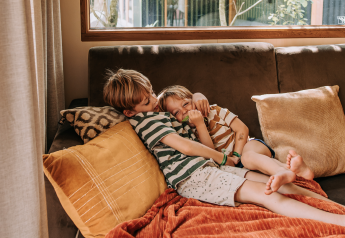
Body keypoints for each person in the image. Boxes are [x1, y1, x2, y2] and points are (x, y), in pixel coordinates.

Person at [103, 68, 345, 227]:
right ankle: (338, 223)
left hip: (210, 167)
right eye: (147, 101)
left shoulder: (160, 113)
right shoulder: (145, 121)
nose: (155, 101)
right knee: (266, 193)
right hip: (194, 176)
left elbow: (178, 100)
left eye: (152, 93)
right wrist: (222, 157)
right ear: (130, 112)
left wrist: (196, 96)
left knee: (272, 181)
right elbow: (186, 147)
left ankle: (337, 209)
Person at [158, 85, 315, 195]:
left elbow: (242, 130)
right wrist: (199, 125)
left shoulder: (215, 111)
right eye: (177, 112)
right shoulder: (188, 133)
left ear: (194, 100)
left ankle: (281, 172)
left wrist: (237, 156)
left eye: (185, 104)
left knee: (248, 157)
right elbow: (210, 152)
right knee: (251, 170)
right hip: (234, 166)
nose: (184, 111)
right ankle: (301, 172)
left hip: (248, 146)